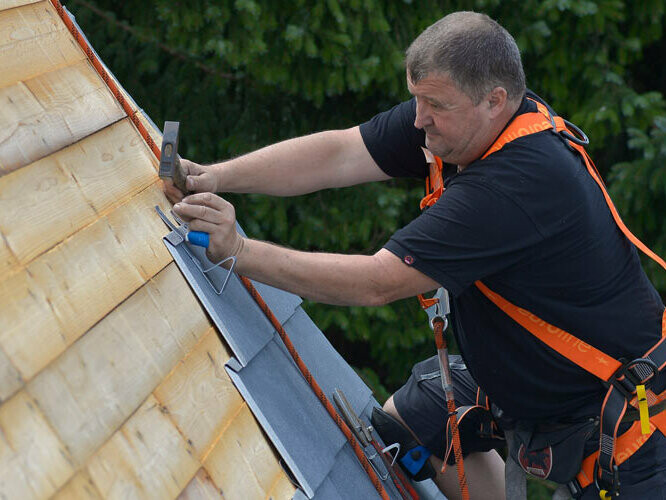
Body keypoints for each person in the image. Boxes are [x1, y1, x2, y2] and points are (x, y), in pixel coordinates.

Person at [166, 11, 666, 499]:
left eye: (434, 105)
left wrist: (238, 251)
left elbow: (377, 282)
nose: (418, 118)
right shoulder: (465, 124)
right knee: (416, 421)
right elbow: (342, 152)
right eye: (416, 99)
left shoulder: (517, 184)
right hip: (538, 383)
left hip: (628, 432)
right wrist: (216, 176)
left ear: (494, 100)